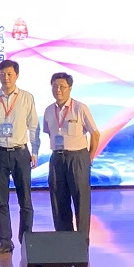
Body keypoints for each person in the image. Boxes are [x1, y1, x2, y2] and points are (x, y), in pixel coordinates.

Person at [0, 59, 40, 256]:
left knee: (26, 200)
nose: (6, 78)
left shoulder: (26, 97)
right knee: (0, 201)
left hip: (20, 152)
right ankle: (5, 241)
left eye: (9, 74)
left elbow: (34, 126)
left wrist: (34, 151)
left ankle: (27, 239)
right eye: (2, 74)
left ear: (17, 75)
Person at [43, 72, 100, 243]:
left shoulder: (80, 108)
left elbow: (95, 134)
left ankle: (82, 242)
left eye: (62, 86)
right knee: (58, 200)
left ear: (70, 88)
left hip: (78, 157)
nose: (58, 90)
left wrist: (89, 158)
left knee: (81, 200)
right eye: (55, 86)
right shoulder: (48, 110)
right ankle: (64, 241)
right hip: (57, 158)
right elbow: (50, 133)